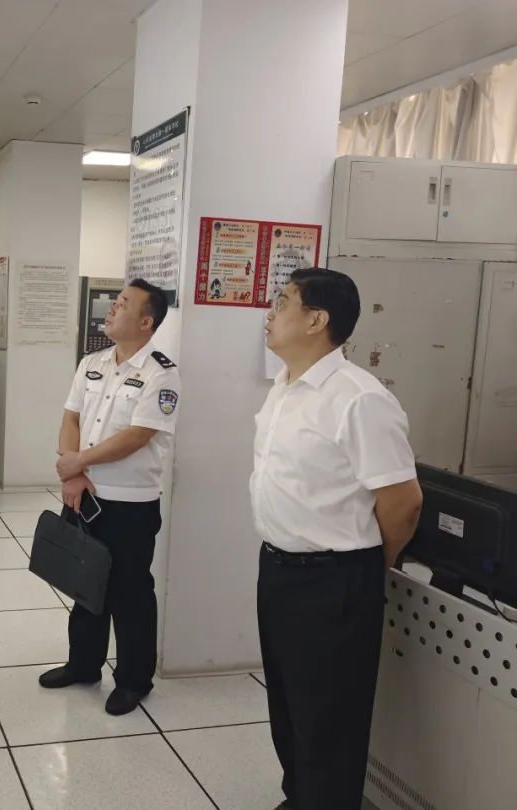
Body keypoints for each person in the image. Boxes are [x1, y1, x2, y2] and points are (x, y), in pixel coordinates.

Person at [254, 268, 423, 810]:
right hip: (278, 569)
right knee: (288, 704)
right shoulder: (284, 387)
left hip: (336, 578)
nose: (270, 313)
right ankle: (300, 797)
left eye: (283, 302)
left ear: (316, 320)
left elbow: (403, 502)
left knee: (329, 717)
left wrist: (371, 566)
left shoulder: (359, 399)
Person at [41, 278, 179, 716]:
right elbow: (71, 418)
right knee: (85, 583)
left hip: (130, 503)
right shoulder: (92, 362)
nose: (112, 308)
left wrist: (77, 462)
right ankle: (84, 665)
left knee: (129, 592)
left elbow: (138, 435)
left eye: (122, 303)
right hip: (83, 492)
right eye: (115, 302)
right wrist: (73, 471)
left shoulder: (161, 373)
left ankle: (134, 680)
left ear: (146, 321)